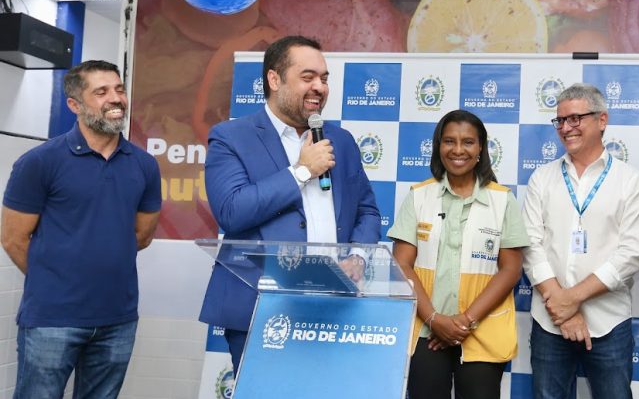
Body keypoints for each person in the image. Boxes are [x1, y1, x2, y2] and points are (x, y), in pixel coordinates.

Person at [199, 35, 381, 375]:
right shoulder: (230, 137)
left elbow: (367, 211)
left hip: (331, 305)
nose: (320, 87)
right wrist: (300, 171)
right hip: (261, 307)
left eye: (325, 79)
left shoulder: (339, 140)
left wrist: (358, 256)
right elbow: (232, 212)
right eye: (308, 77)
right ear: (274, 79)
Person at [1, 60, 162, 398]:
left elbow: (142, 236)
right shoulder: (39, 162)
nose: (115, 98)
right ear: (74, 104)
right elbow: (13, 238)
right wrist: (53, 280)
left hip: (117, 320)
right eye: (101, 92)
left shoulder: (144, 165)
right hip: (51, 319)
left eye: (118, 89)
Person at [388, 109, 528, 399]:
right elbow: (402, 264)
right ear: (439, 147)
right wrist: (435, 320)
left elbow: (511, 270)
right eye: (449, 141)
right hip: (427, 333)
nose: (458, 150)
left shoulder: (503, 200)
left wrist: (464, 322)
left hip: (483, 332)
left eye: (468, 142)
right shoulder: (418, 195)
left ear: (480, 149)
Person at [521, 83, 639, 399]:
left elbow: (631, 254)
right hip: (550, 322)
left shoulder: (629, 181)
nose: (566, 128)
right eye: (560, 121)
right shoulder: (542, 178)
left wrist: (572, 298)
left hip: (609, 321)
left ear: (601, 120)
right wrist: (562, 305)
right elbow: (530, 246)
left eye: (575, 118)